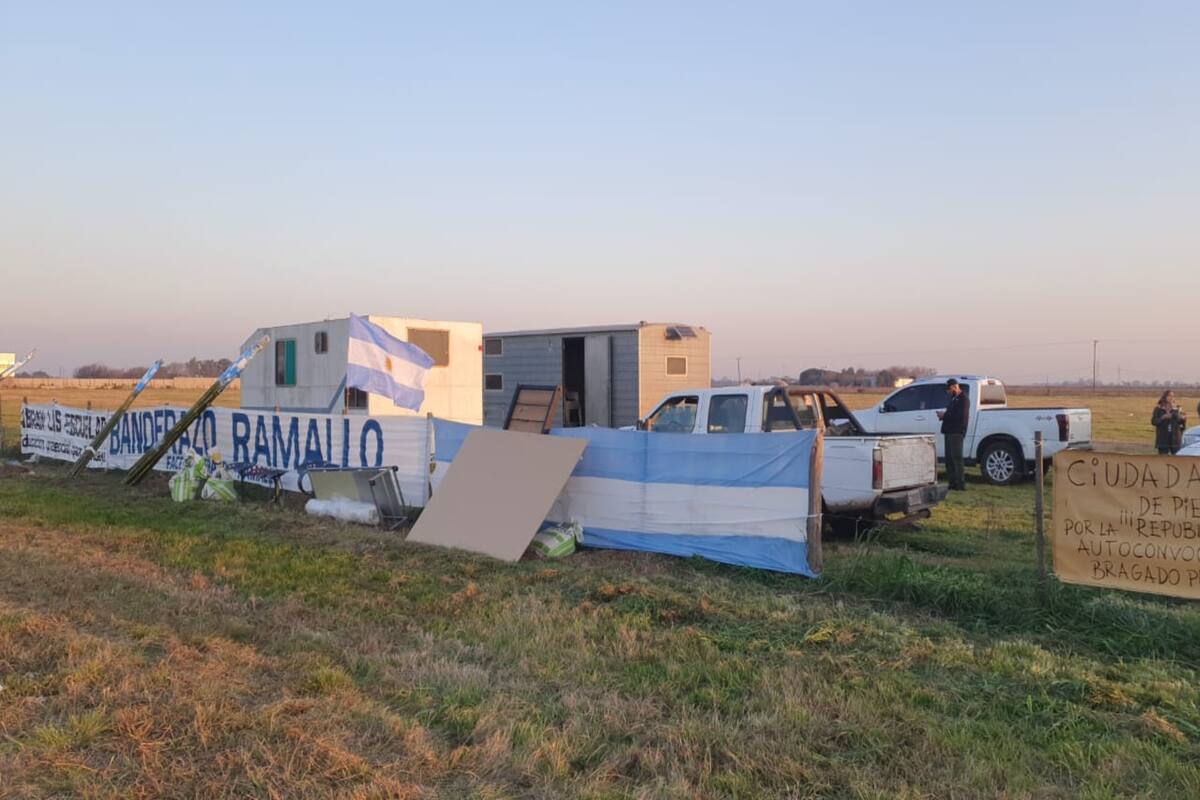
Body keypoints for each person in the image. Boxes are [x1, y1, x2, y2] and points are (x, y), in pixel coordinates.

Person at [941, 378, 969, 490]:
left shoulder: (964, 399)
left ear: (954, 387)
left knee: (957, 458)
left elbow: (960, 416)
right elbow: (951, 413)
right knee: (949, 459)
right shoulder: (953, 398)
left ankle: (960, 484)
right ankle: (952, 483)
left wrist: (945, 416)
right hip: (949, 431)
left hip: (957, 432)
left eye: (949, 389)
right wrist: (944, 416)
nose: (948, 392)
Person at [1151, 390, 1187, 455]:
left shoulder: (1177, 409)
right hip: (1163, 439)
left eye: (1173, 396)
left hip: (1175, 439)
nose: (1171, 397)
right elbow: (1154, 422)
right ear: (1165, 397)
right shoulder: (1158, 409)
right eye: (1169, 395)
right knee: (1163, 459)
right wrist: (1162, 417)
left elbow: (1182, 425)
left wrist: (1183, 419)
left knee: (1176, 459)